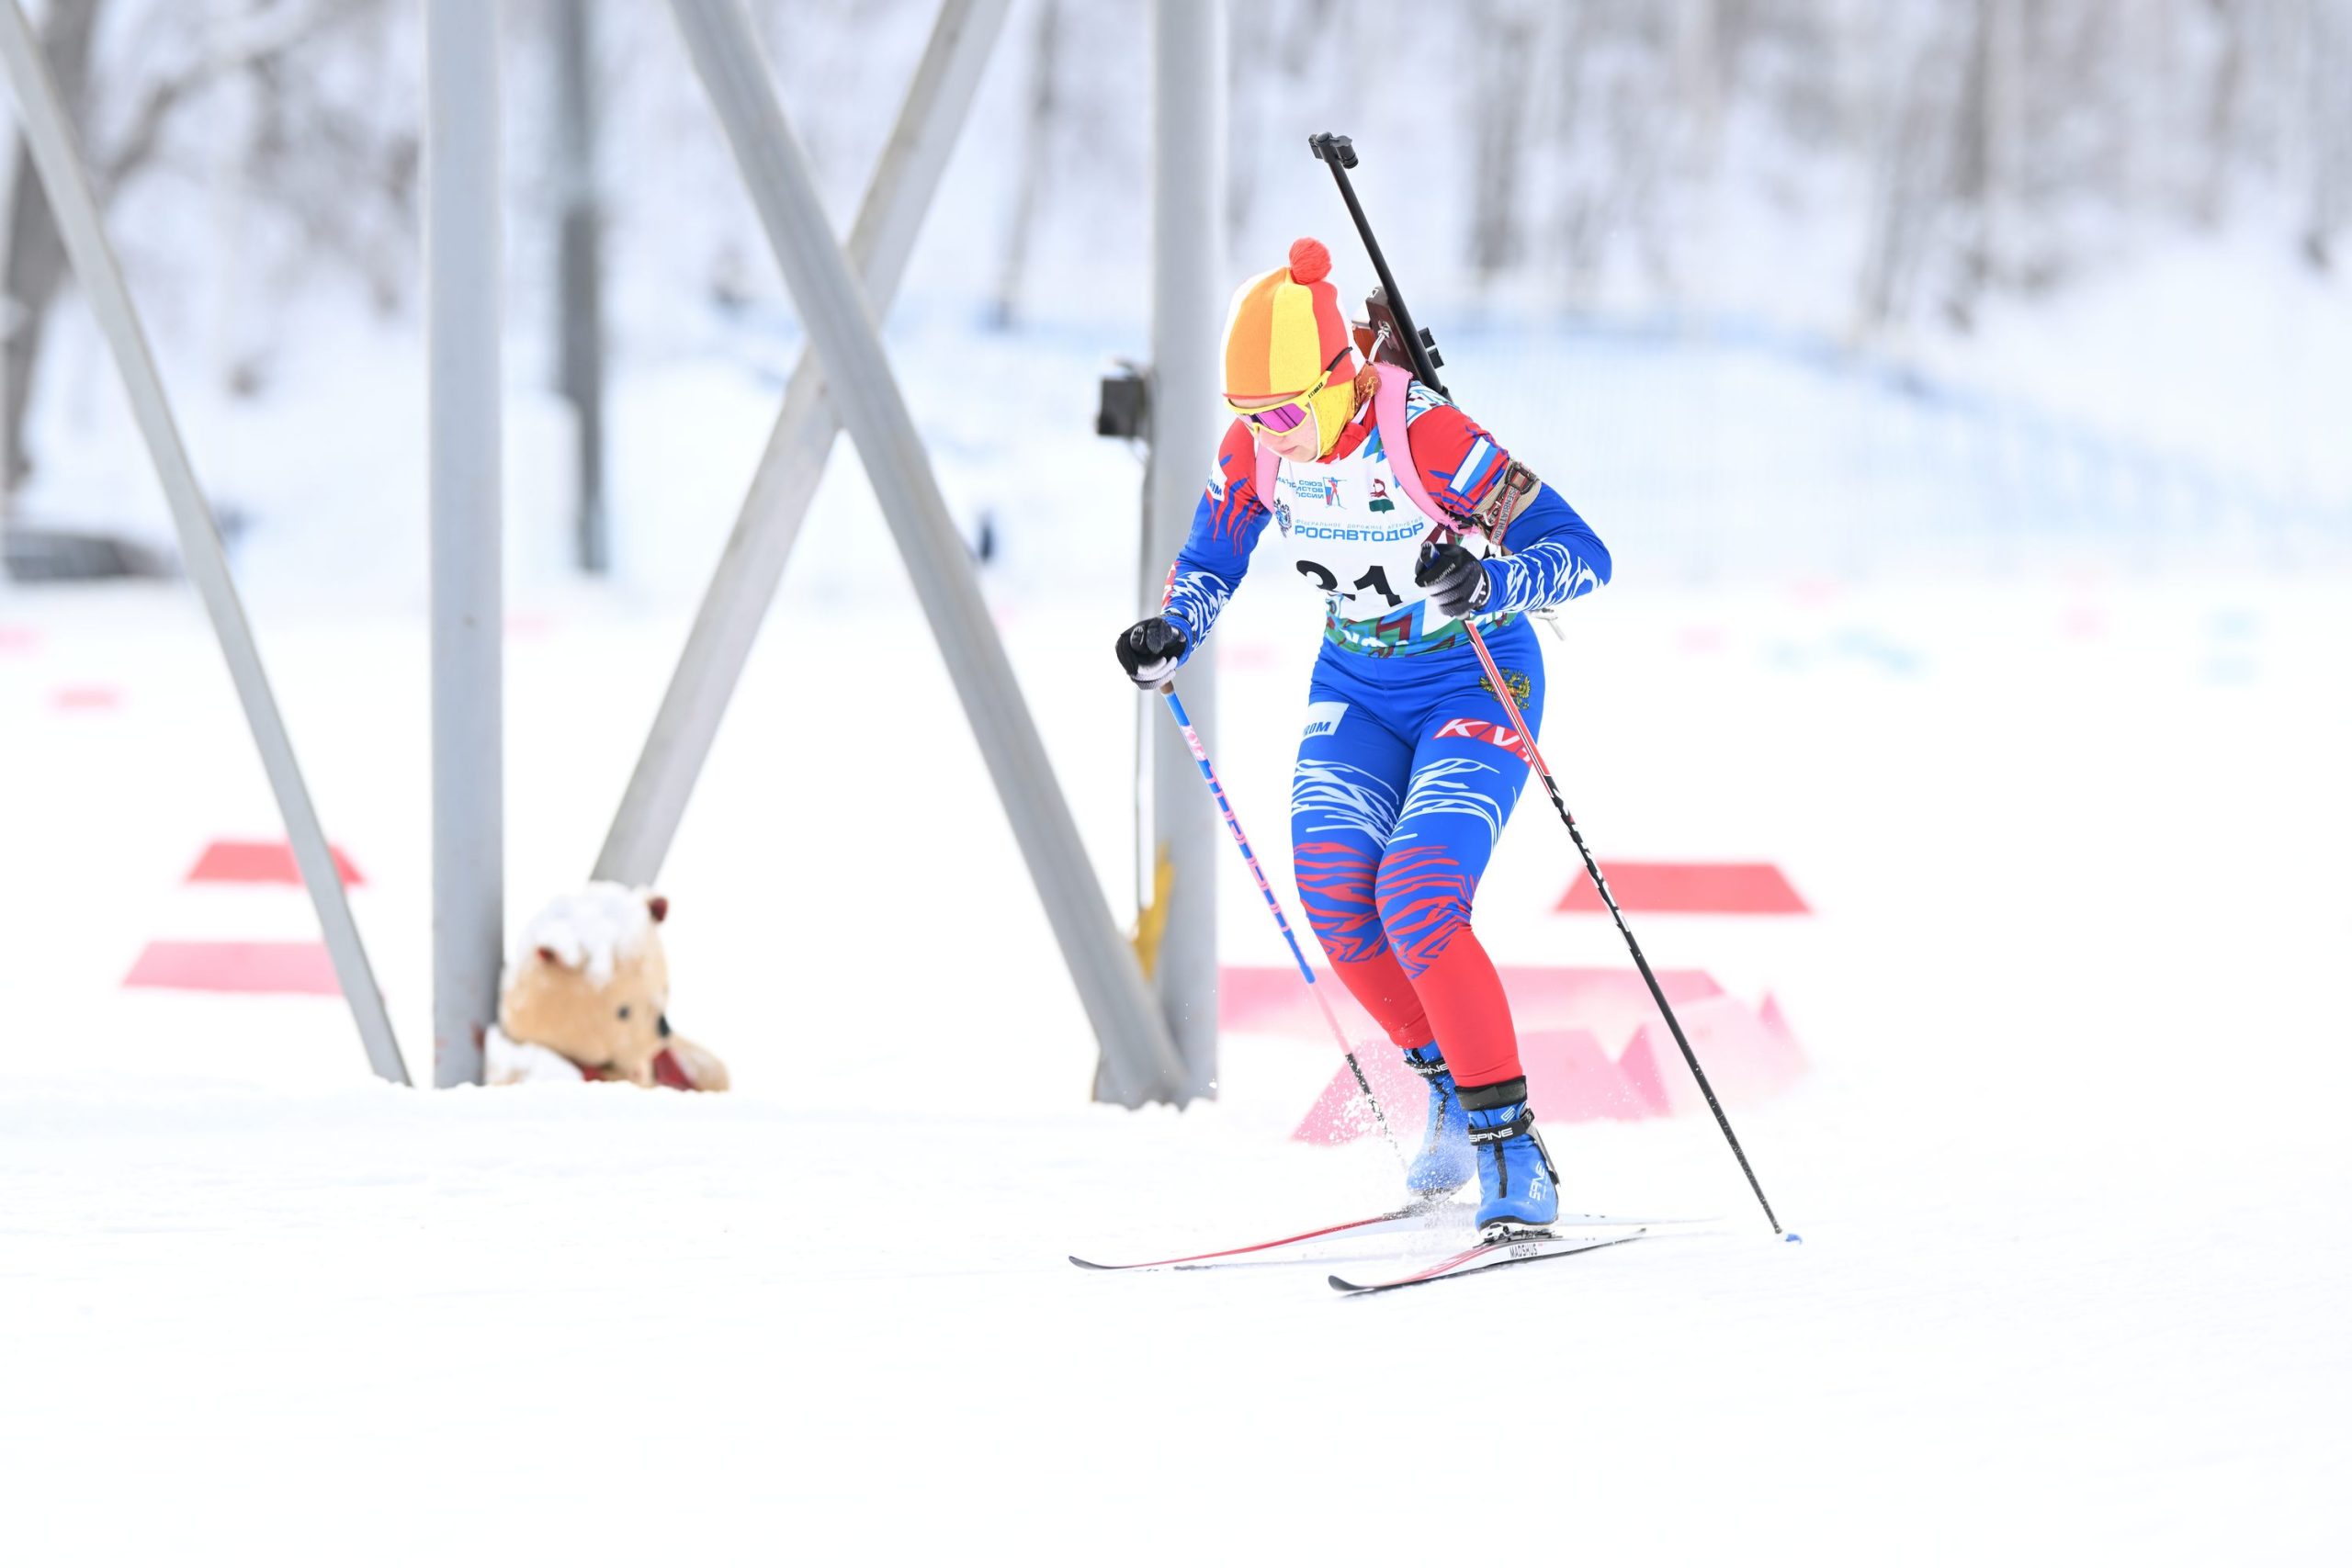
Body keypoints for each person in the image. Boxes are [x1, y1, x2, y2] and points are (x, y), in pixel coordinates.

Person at [1114, 238, 1612, 1237]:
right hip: (1357, 681)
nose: (1266, 435)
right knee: (1339, 897)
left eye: (1283, 413)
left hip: (1474, 675)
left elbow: (1582, 553)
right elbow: (1210, 557)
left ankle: (1511, 1143)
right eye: (1247, 414)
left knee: (1418, 895)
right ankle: (1446, 1085)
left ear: (1336, 380)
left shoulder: (1425, 435)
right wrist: (1173, 626)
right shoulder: (1260, 446)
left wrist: (1490, 579)